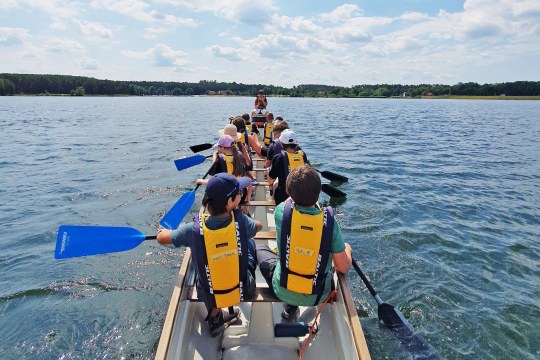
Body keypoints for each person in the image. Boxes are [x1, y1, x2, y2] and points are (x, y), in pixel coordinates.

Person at [157, 173, 262, 336]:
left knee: (202, 266)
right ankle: (221, 312)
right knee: (249, 244)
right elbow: (259, 227)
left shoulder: (191, 230)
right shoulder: (242, 222)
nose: (240, 195)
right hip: (243, 289)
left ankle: (215, 315)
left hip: (209, 294)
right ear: (230, 202)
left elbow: (162, 239)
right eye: (239, 194)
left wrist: (163, 232)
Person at [256, 165, 353, 320]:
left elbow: (289, 201)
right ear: (318, 192)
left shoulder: (281, 212)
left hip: (282, 289)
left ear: (290, 193)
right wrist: (348, 249)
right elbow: (342, 267)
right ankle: (293, 304)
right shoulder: (330, 223)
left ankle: (290, 305)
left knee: (260, 248)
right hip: (318, 295)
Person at [268, 129, 309, 205]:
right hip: (301, 194)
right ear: (296, 144)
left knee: (275, 186)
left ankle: (272, 199)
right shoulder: (303, 155)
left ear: (281, 143)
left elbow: (271, 177)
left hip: (283, 196)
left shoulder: (278, 158)